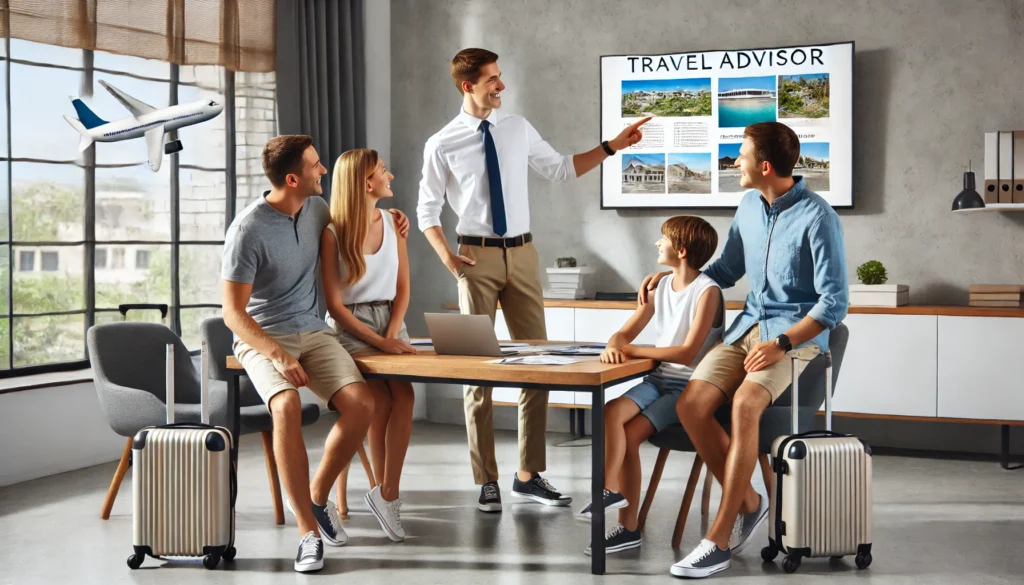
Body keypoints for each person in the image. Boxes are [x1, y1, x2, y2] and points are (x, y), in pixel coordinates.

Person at [416, 47, 651, 512]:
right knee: (475, 371)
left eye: (501, 77)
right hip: (474, 258)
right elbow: (427, 208)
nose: (501, 86)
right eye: (492, 80)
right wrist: (447, 256)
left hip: (522, 254)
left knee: (538, 363)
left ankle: (529, 473)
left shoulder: (517, 128)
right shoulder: (441, 143)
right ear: (468, 86)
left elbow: (561, 168)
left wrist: (612, 147)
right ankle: (487, 479)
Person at [640, 122, 849, 579]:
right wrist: (673, 275)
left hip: (792, 336)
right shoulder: (749, 206)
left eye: (742, 155)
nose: (736, 162)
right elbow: (725, 269)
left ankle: (716, 541)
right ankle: (751, 503)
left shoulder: (819, 217)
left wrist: (782, 343)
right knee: (691, 403)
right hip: (746, 328)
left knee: (746, 404)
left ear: (766, 165)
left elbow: (834, 302)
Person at [221, 135, 408, 573]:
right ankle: (307, 534)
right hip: (264, 336)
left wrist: (393, 219)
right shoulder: (248, 229)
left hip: (314, 330)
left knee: (362, 403)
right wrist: (278, 355)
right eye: (315, 166)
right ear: (292, 178)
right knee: (285, 407)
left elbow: (359, 217)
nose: (322, 170)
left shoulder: (318, 210)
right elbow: (232, 312)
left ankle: (317, 496)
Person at [576, 216, 724, 557]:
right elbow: (624, 333)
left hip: (686, 389)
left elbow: (687, 354)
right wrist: (616, 344)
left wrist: (632, 350)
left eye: (664, 239)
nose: (657, 244)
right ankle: (610, 489)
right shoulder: (659, 288)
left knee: (629, 434)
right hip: (657, 381)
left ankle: (628, 529)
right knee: (611, 411)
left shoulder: (708, 293)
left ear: (682, 251)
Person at [320, 148, 416, 543]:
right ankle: (382, 492)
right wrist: (377, 341)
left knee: (405, 397)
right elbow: (334, 306)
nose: (390, 176)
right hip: (351, 327)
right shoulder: (332, 233)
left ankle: (386, 493)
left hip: (393, 319)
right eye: (382, 171)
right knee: (378, 398)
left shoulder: (395, 222)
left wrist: (392, 334)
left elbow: (404, 288)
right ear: (365, 182)